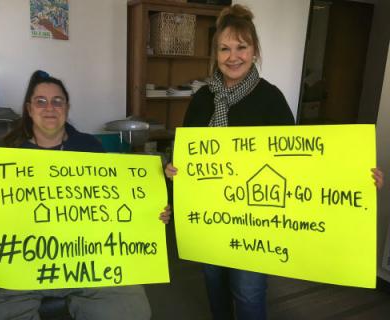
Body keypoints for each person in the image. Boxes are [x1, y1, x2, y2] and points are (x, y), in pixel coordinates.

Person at [164, 5, 384, 320]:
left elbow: (300, 161)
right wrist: (173, 170)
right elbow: (183, 155)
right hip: (208, 218)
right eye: (224, 48)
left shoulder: (271, 100)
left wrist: (355, 177)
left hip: (256, 220)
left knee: (248, 291)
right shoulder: (202, 99)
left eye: (241, 47)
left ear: (255, 51)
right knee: (213, 283)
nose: (233, 56)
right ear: (215, 54)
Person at [0, 70, 171, 320]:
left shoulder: (88, 146)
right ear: (29, 109)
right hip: (20, 259)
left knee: (133, 311)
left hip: (88, 256)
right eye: (41, 101)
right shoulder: (6, 152)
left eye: (57, 101)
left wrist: (151, 212)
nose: (50, 107)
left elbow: (116, 197)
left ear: (67, 108)